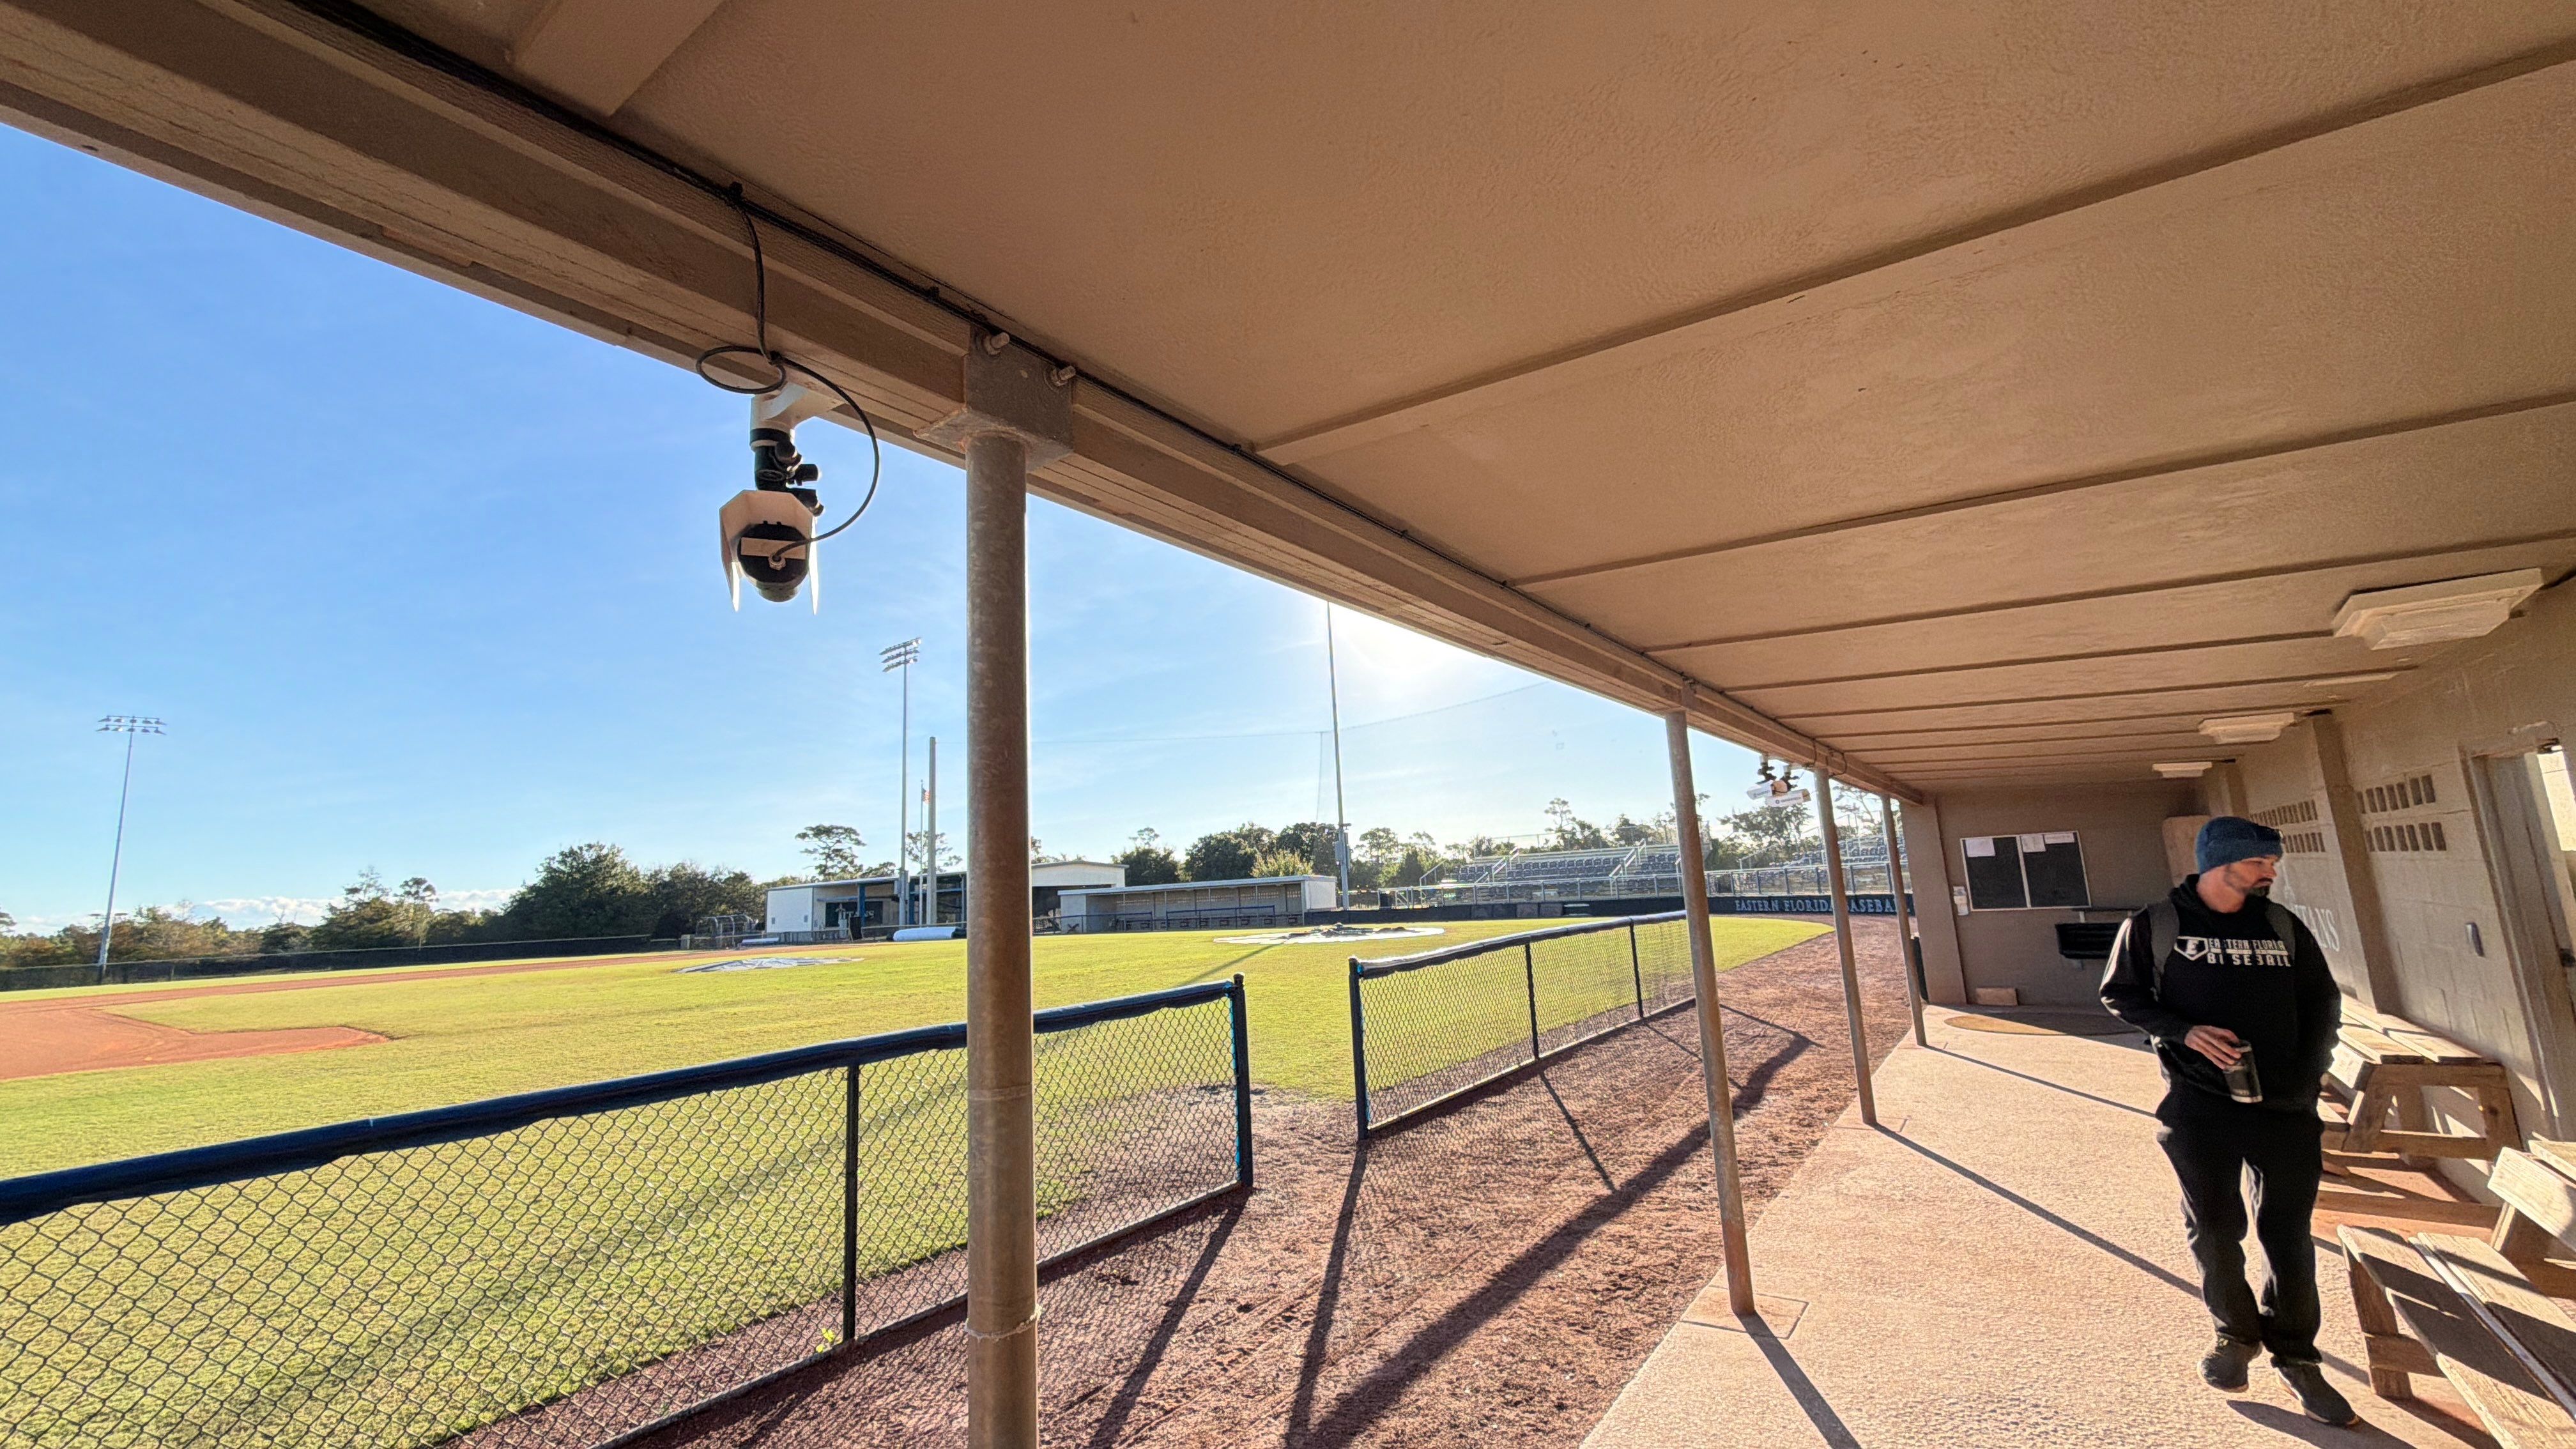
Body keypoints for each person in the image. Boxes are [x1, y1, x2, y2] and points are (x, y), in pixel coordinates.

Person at [2100, 816, 2355, 1427]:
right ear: (2223, 862)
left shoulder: (2281, 926)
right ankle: (2234, 1337)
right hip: (2198, 1106)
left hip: (2287, 1107)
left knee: (2287, 1234)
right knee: (2215, 1229)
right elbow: (2122, 996)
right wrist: (2183, 1032)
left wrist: (2312, 1070)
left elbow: (2322, 1000)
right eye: (2262, 861)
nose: (2273, 870)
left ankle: (2297, 1356)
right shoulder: (2155, 925)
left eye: (2272, 862)